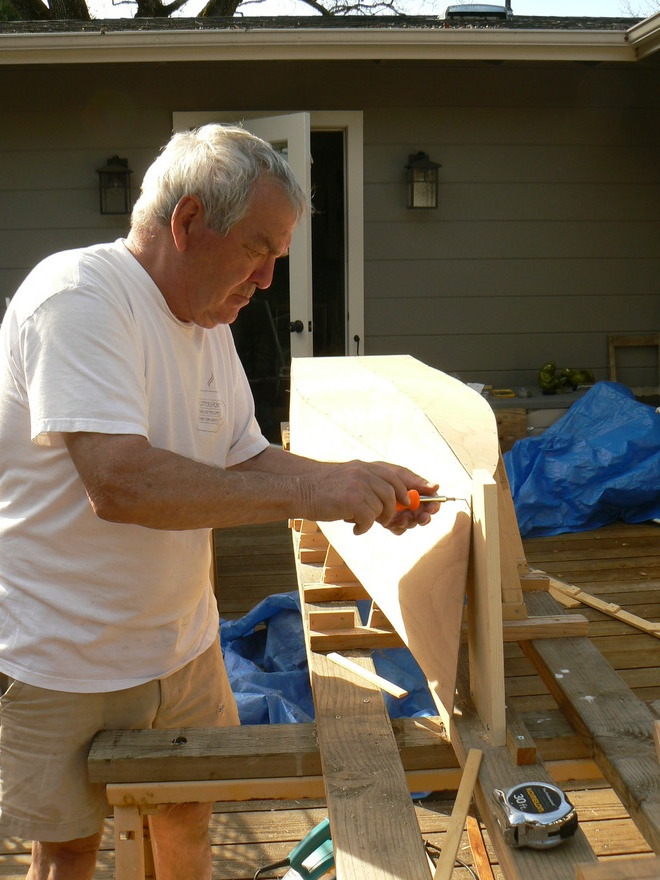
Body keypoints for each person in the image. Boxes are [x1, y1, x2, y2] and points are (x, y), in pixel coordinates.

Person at [0, 123, 439, 880]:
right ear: (188, 221)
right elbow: (120, 483)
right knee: (68, 855)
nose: (266, 280)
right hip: (62, 657)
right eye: (256, 250)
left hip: (185, 644)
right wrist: (317, 492)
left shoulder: (208, 320)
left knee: (188, 824)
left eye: (277, 258)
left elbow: (246, 455)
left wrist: (352, 477)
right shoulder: (78, 297)